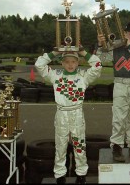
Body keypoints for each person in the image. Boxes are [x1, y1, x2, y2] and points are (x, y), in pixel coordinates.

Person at [35, 47, 102, 184]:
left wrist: (83, 52)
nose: (70, 64)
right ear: (61, 63)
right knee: (61, 145)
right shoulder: (55, 75)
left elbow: (97, 65)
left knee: (79, 144)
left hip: (77, 113)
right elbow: (39, 64)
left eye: (73, 61)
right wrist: (55, 52)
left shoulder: (83, 76)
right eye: (66, 61)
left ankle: (81, 173)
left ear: (78, 62)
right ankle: (60, 174)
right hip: (61, 114)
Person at [95, 21, 130, 162]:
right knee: (119, 117)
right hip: (119, 84)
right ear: (124, 33)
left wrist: (129, 44)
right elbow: (100, 59)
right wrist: (101, 45)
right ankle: (117, 147)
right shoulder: (117, 47)